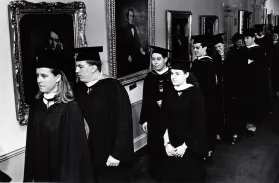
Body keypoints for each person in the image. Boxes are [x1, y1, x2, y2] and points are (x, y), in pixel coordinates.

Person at [23, 53, 93, 183]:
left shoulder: (70, 108)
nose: (39, 80)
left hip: (61, 176)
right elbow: (31, 145)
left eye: (44, 76)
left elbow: (75, 153)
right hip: (40, 175)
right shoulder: (36, 106)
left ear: (58, 77)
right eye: (37, 76)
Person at [74, 46, 134, 183]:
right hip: (88, 154)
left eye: (80, 66)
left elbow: (124, 122)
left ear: (93, 68)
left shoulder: (113, 88)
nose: (76, 70)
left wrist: (117, 154)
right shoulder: (78, 89)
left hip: (110, 154)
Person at [161, 60, 207, 182]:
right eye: (171, 74)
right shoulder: (168, 92)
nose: (173, 77)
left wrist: (185, 146)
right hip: (172, 143)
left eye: (177, 74)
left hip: (190, 145)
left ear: (186, 75)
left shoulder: (195, 94)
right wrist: (167, 144)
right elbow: (164, 121)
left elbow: (198, 123)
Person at [139, 46, 173, 181]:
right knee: (154, 145)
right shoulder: (149, 77)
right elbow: (145, 100)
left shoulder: (173, 75)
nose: (155, 62)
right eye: (153, 59)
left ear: (165, 59)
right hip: (153, 118)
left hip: (169, 118)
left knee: (169, 143)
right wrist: (145, 119)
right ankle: (156, 173)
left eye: (159, 59)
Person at [191, 35, 219, 156]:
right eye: (194, 48)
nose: (195, 50)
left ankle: (207, 149)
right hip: (201, 97)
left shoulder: (206, 63)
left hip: (205, 97)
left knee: (206, 122)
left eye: (197, 48)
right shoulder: (198, 62)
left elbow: (207, 84)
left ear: (205, 48)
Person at [242, 29, 269, 137]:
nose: (245, 40)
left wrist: (250, 64)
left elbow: (262, 66)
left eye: (247, 38)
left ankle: (252, 126)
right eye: (244, 38)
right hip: (243, 81)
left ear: (253, 38)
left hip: (255, 81)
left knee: (253, 103)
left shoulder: (260, 50)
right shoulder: (241, 50)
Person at [117, 9, 148, 76]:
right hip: (127, 55)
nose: (130, 17)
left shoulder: (134, 27)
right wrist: (128, 55)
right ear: (126, 16)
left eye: (131, 16)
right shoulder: (123, 28)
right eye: (129, 15)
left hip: (134, 53)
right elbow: (123, 44)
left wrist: (141, 48)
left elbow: (136, 40)